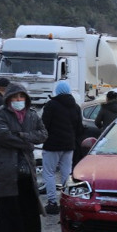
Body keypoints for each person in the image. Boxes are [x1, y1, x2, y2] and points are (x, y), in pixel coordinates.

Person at [0, 83, 47, 232]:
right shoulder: (0, 113)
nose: (18, 100)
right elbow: (1, 135)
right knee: (7, 208)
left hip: (26, 170)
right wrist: (28, 141)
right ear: (8, 99)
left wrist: (22, 135)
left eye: (21, 97)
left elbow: (42, 134)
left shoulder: (32, 115)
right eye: (15, 97)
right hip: (5, 169)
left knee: (26, 206)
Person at [40, 80, 83, 215]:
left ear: (57, 91)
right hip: (69, 145)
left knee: (49, 173)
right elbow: (79, 128)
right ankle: (67, 201)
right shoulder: (75, 107)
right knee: (67, 173)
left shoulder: (51, 105)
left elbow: (44, 125)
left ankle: (52, 203)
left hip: (52, 145)